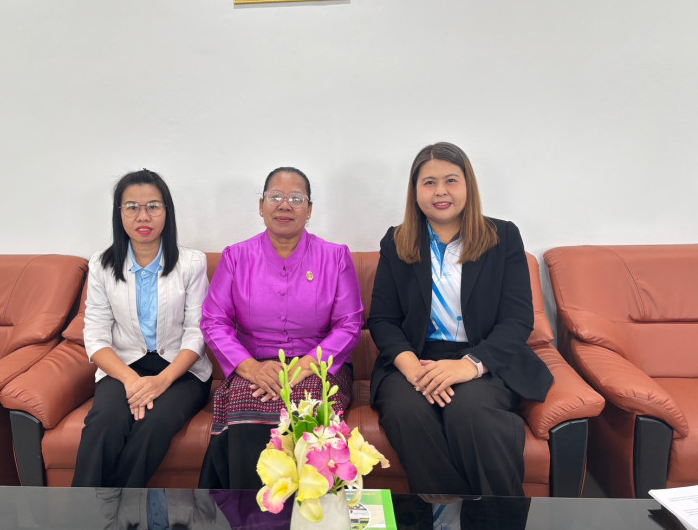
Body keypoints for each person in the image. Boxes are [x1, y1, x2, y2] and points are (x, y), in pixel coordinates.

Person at [369, 142, 553, 496]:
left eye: (451, 180)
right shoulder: (396, 241)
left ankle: (499, 516)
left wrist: (469, 366)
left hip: (483, 357)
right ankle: (444, 515)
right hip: (417, 358)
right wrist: (411, 368)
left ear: (468, 185)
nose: (440, 191)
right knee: (406, 412)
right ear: (415, 191)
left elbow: (517, 320)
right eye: (429, 182)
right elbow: (383, 319)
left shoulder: (502, 237)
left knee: (470, 411)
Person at [199, 166, 363, 490]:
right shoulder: (236, 257)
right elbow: (214, 321)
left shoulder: (335, 257)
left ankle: (310, 510)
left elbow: (349, 324)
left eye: (296, 198)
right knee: (246, 401)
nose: (285, 205)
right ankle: (247, 510)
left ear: (309, 209)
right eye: (275, 197)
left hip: (318, 366)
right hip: (254, 366)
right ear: (261, 206)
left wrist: (307, 365)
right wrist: (250, 368)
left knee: (309, 405)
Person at [72, 169, 213, 488]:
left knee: (155, 424)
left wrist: (162, 381)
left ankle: (118, 508)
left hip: (181, 371)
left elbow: (197, 332)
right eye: (132, 207)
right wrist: (131, 381)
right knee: (104, 422)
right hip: (123, 367)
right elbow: (95, 335)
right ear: (119, 213)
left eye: (153, 206)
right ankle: (81, 510)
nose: (143, 216)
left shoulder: (192, 263)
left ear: (167, 212)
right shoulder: (101, 265)